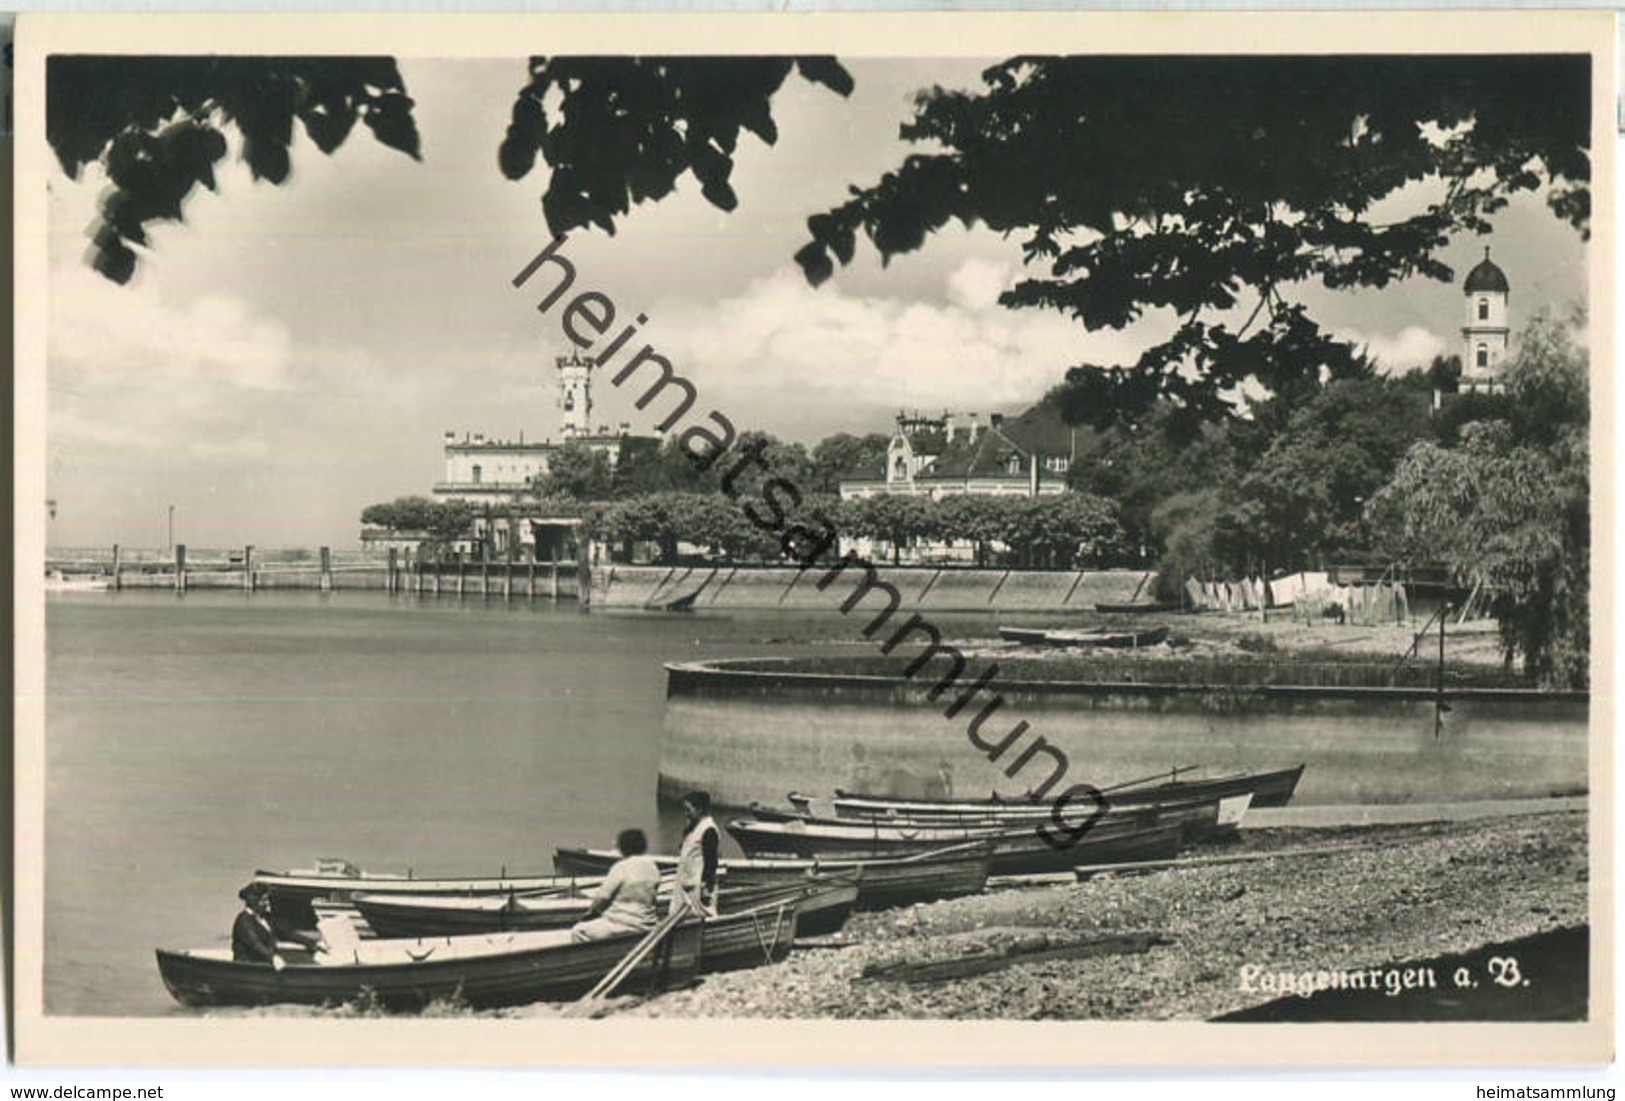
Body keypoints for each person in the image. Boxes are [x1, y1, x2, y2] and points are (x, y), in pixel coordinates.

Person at [569, 828, 662, 943]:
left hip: (622, 924)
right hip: (647, 924)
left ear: (624, 847)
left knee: (578, 931)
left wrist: (589, 914)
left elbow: (602, 898)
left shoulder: (621, 867)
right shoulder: (653, 867)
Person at [232, 883, 325, 969]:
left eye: (267, 899)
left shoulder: (267, 917)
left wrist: (312, 943)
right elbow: (256, 945)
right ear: (254, 901)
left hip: (265, 962)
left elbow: (288, 933)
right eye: (264, 900)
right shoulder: (244, 921)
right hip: (248, 966)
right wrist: (272, 957)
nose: (268, 903)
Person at [669, 791, 719, 918]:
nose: (686, 814)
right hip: (686, 884)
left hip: (697, 886)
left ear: (700, 809)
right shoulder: (695, 827)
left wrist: (706, 887)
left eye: (689, 810)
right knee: (680, 917)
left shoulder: (709, 830)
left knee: (700, 916)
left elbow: (711, 861)